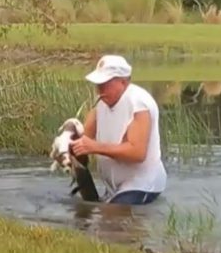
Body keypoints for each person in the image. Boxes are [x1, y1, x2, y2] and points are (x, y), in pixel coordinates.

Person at [69, 54, 167, 205]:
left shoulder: (138, 104)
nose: (99, 90)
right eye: (98, 84)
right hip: (114, 188)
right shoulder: (100, 105)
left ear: (123, 81)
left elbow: (137, 153)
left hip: (143, 184)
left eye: (105, 84)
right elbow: (83, 145)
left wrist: (95, 147)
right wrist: (68, 148)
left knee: (113, 220)